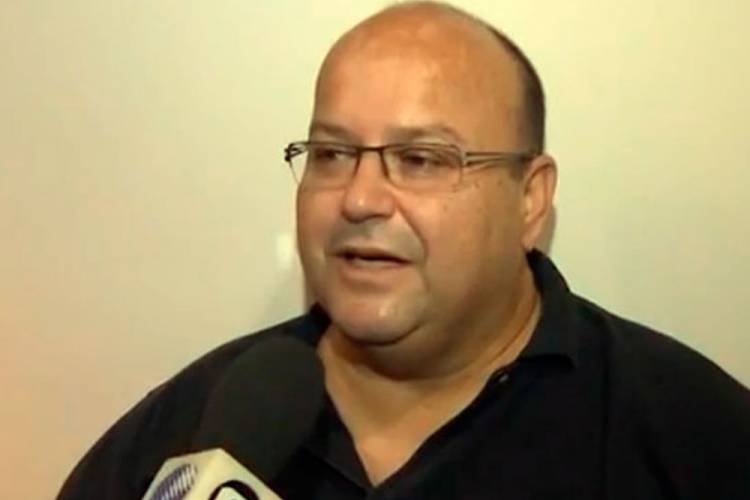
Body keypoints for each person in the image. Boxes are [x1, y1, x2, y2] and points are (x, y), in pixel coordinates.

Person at [57, 2, 750, 499]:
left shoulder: (693, 436)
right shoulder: (194, 429)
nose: (360, 199)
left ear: (530, 199)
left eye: (421, 159)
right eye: (331, 154)